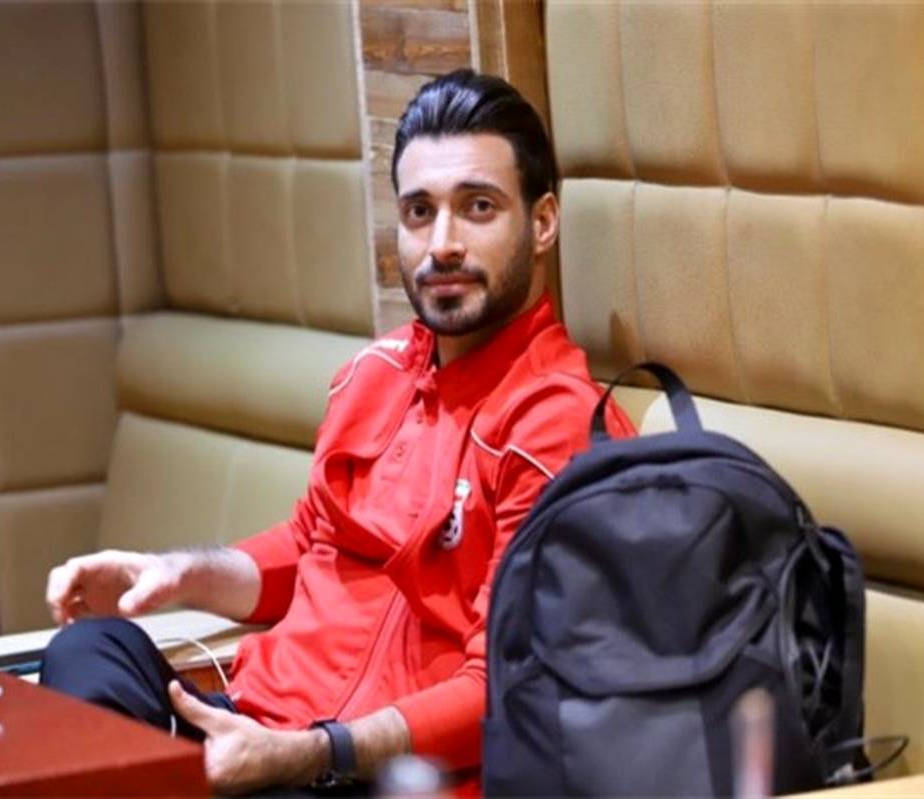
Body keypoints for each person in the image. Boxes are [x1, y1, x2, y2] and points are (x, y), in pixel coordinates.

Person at [41, 69, 634, 794]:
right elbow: (308, 544)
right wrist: (174, 575)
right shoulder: (374, 375)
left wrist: (314, 752)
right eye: (420, 211)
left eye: (478, 207)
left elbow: (508, 683)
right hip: (261, 728)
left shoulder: (558, 426)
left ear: (542, 223)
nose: (442, 243)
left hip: (379, 772)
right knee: (90, 651)